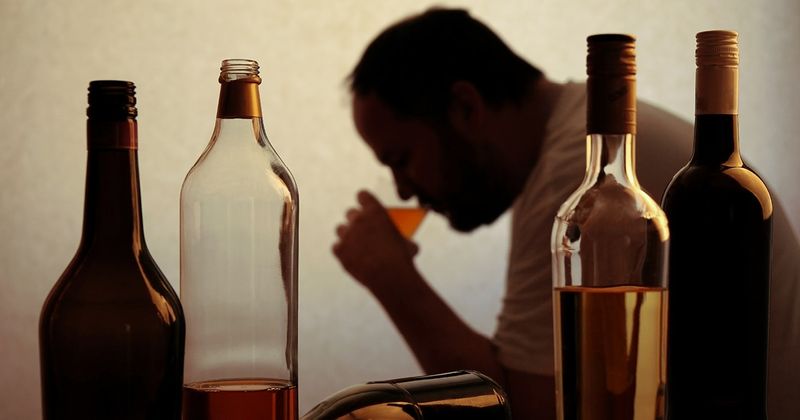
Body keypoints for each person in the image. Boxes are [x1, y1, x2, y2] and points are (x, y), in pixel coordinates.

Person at [332, 8, 800, 419]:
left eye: (400, 159)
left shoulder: (577, 177)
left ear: (466, 108)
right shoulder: (563, 149)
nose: (402, 189)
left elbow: (523, 409)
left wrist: (394, 281)